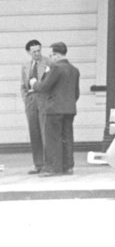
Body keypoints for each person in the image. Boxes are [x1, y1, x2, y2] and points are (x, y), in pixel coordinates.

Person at [31, 41, 81, 176]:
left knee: (52, 139)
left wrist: (34, 83)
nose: (50, 58)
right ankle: (68, 166)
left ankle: (52, 167)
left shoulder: (56, 68)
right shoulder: (74, 70)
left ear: (56, 55)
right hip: (69, 108)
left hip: (53, 109)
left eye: (51, 55)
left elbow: (44, 87)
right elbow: (76, 93)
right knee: (67, 137)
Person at [20, 39, 48, 174]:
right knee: (34, 132)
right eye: (34, 51)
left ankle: (48, 163)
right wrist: (26, 99)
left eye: (39, 50)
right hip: (31, 100)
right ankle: (38, 164)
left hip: (43, 99)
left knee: (45, 131)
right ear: (28, 52)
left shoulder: (48, 62)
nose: (37, 53)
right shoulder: (26, 65)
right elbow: (22, 85)